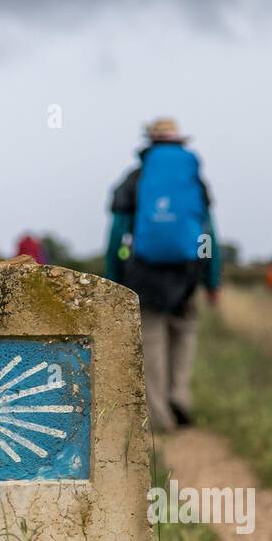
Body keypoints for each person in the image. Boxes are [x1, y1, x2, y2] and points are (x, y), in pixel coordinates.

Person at [106, 118, 221, 433]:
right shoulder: (194, 180)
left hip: (145, 274)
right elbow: (209, 233)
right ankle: (179, 395)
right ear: (180, 142)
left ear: (149, 143)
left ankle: (160, 417)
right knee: (184, 333)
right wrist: (211, 278)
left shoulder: (135, 178)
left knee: (153, 341)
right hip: (186, 274)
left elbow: (117, 235)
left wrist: (113, 279)